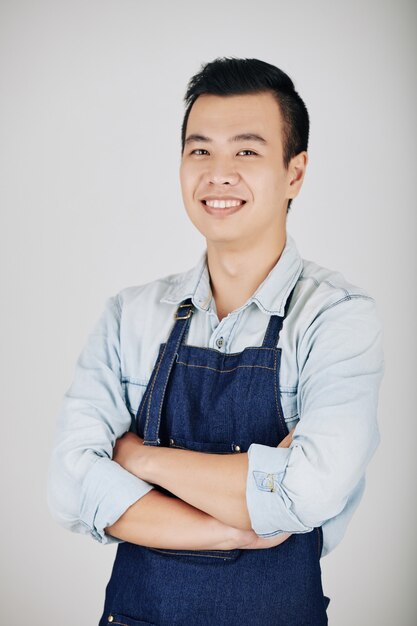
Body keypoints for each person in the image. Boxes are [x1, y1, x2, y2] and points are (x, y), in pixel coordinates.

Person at [47, 57, 385, 626]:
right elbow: (69, 486)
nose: (218, 173)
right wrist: (233, 526)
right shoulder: (129, 315)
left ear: (295, 173)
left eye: (246, 151)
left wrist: (137, 457)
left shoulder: (338, 318)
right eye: (200, 150)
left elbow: (307, 491)